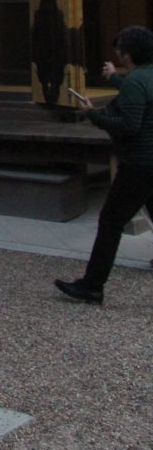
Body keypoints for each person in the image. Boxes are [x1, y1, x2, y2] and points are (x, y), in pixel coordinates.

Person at [55, 25, 153, 304]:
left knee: (110, 221)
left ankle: (93, 285)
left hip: (139, 163)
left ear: (126, 54)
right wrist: (114, 80)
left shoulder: (136, 80)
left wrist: (92, 115)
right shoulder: (145, 77)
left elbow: (129, 125)